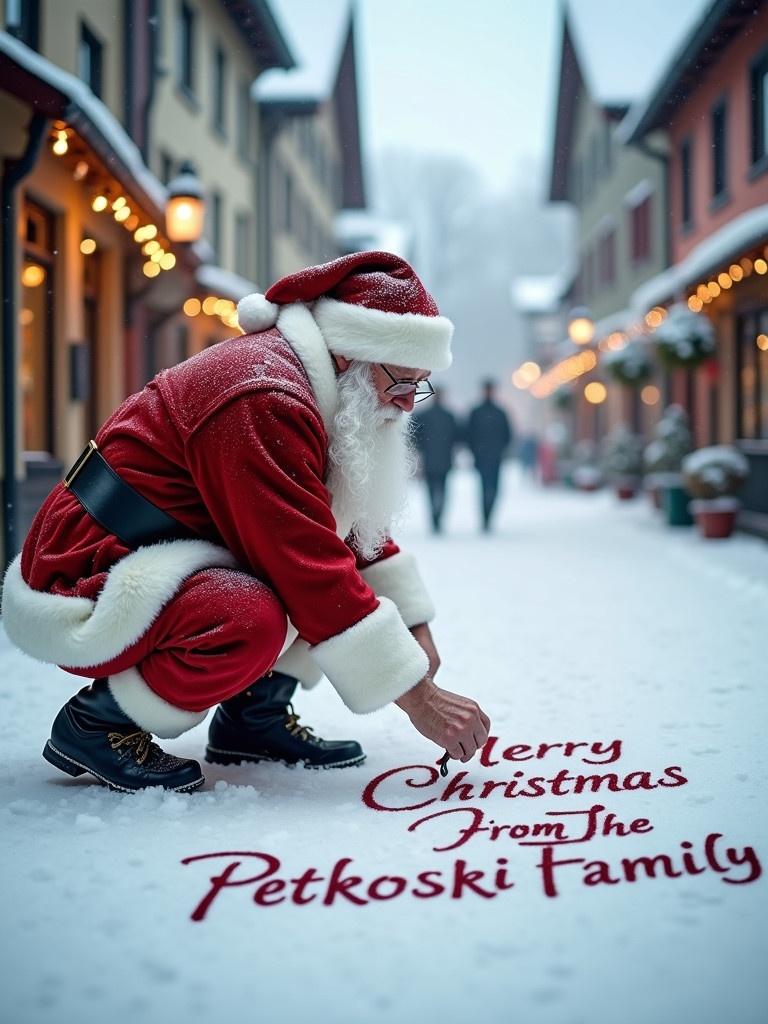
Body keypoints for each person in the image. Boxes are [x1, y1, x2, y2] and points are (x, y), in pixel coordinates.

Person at [1, 252, 491, 793]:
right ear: (351, 355)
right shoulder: (262, 396)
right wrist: (419, 698)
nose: (406, 404)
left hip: (159, 543)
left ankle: (253, 719)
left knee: (320, 586)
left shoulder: (315, 386)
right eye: (401, 381)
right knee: (252, 613)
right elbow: (306, 562)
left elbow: (340, 525)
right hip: (86, 568)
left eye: (419, 385)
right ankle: (98, 724)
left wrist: (413, 623)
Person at [466, 378, 514, 531]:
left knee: (493, 489)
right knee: (485, 488)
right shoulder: (479, 412)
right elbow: (469, 434)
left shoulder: (499, 412)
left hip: (493, 457)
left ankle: (488, 516)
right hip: (483, 457)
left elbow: (508, 435)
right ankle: (485, 517)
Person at [412, 387, 459, 533]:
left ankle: (435, 518)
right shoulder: (449, 416)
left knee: (431, 491)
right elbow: (456, 438)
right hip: (444, 460)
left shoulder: (424, 415)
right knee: (443, 490)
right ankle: (438, 517)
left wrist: (421, 449)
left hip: (430, 460)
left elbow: (415, 436)